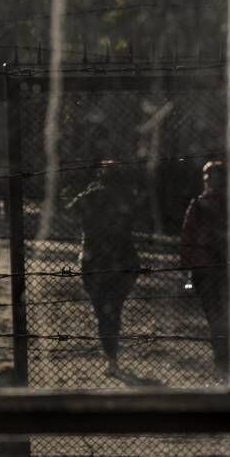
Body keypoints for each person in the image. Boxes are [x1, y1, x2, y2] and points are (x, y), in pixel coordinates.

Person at [66, 161, 144, 378]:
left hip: (97, 262)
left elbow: (70, 212)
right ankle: (112, 358)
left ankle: (111, 360)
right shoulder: (125, 198)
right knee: (113, 310)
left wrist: (90, 195)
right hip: (122, 261)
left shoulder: (92, 196)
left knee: (102, 312)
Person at [180, 160, 229, 381]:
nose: (208, 180)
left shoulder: (226, 204)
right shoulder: (198, 204)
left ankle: (224, 368)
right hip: (207, 271)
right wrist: (187, 272)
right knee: (216, 321)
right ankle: (222, 368)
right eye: (207, 177)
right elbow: (187, 238)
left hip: (222, 270)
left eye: (213, 176)